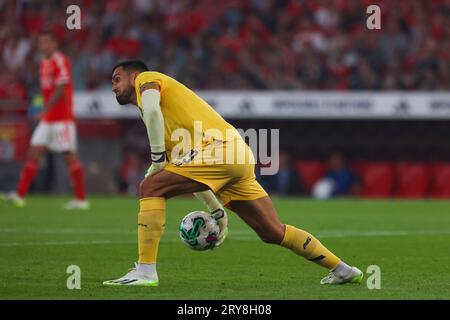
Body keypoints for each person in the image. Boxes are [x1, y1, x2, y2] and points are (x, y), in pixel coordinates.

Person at [104, 60, 363, 286]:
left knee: (150, 187)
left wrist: (157, 158)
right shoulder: (170, 125)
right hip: (237, 155)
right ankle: (343, 270)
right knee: (273, 232)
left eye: (117, 79)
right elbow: (195, 177)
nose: (113, 86)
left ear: (134, 75)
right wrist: (218, 212)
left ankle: (145, 271)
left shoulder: (148, 79)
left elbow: (151, 111)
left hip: (219, 149)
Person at [1, 32, 89, 210]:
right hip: (49, 119)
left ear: (55, 44)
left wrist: (45, 110)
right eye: (41, 43)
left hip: (62, 119)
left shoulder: (60, 60)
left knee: (69, 157)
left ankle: (81, 199)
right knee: (33, 151)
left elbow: (61, 87)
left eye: (47, 42)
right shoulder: (43, 63)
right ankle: (19, 195)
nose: (44, 46)